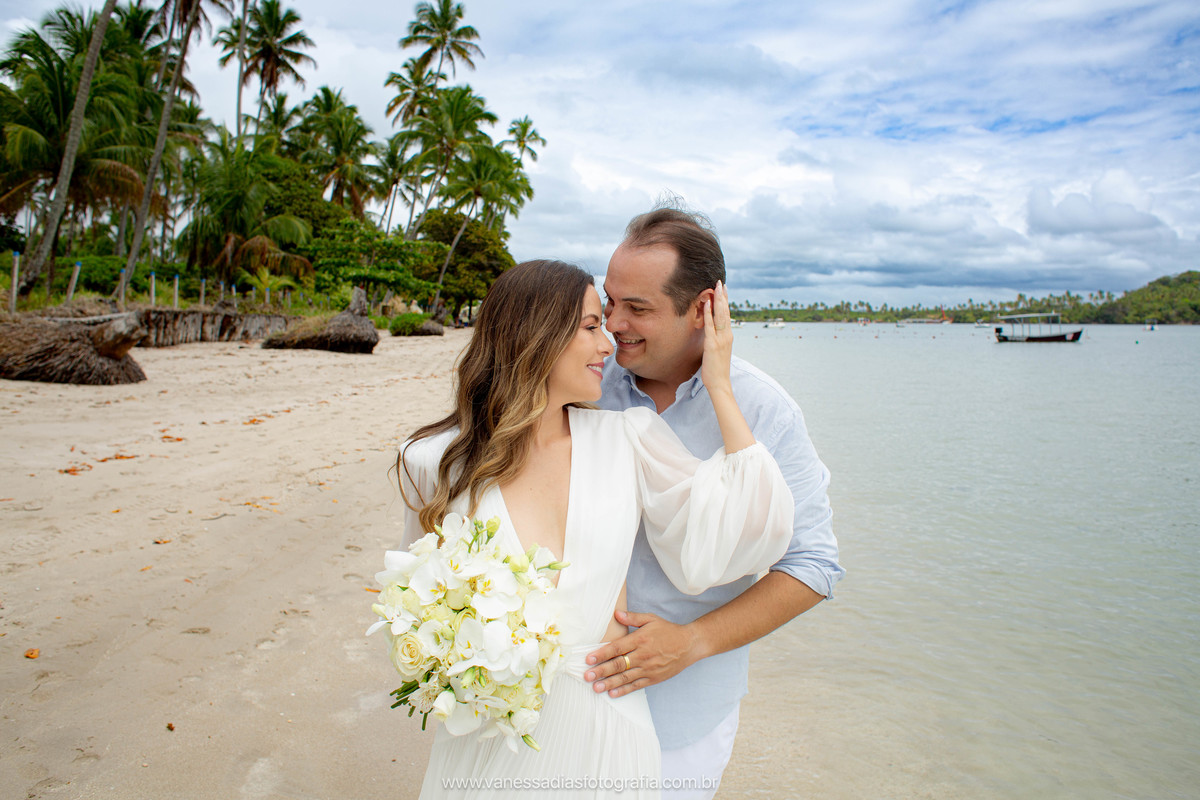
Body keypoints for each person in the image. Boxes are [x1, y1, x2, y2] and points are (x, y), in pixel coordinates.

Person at [395, 260, 795, 799]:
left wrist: (719, 384)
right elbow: (412, 600)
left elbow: (744, 524)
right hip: (495, 734)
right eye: (590, 326)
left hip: (610, 726)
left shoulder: (627, 439)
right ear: (534, 334)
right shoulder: (432, 462)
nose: (608, 343)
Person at [585, 206, 844, 798]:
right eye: (610, 301)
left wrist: (691, 642)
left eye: (638, 308)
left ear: (702, 309)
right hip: (570, 687)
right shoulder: (585, 382)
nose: (614, 323)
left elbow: (814, 566)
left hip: (686, 711)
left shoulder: (764, 410)